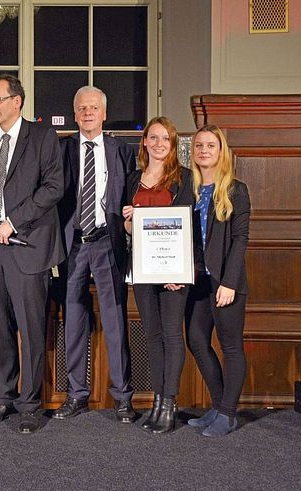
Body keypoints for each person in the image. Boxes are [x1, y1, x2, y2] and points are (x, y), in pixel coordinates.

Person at [0, 74, 65, 434]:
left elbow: (54, 187)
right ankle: (4, 398)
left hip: (28, 245)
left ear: (17, 101)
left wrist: (12, 221)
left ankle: (30, 404)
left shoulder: (42, 136)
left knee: (30, 328)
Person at [52, 86, 137, 424]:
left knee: (116, 320)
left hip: (108, 242)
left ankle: (123, 398)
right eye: (81, 108)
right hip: (73, 243)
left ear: (104, 113)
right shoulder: (62, 149)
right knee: (73, 319)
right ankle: (76, 395)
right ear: (75, 114)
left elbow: (132, 192)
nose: (87, 113)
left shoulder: (122, 150)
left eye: (93, 108)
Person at [123, 116, 194, 434]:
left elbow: (188, 227)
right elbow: (127, 229)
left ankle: (169, 405)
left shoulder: (184, 178)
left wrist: (176, 268)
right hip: (142, 267)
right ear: (145, 142)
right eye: (153, 137)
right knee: (151, 336)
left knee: (171, 335)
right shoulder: (132, 179)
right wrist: (128, 220)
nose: (159, 143)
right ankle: (155, 402)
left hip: (172, 270)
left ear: (173, 143)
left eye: (165, 138)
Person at [185, 124, 250, 437]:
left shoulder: (236, 189)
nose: (204, 151)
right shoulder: (189, 188)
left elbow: (240, 239)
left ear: (221, 151)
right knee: (196, 340)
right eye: (199, 145)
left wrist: (230, 281)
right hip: (197, 281)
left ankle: (228, 413)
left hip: (226, 282)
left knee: (231, 347)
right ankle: (218, 405)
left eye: (211, 145)